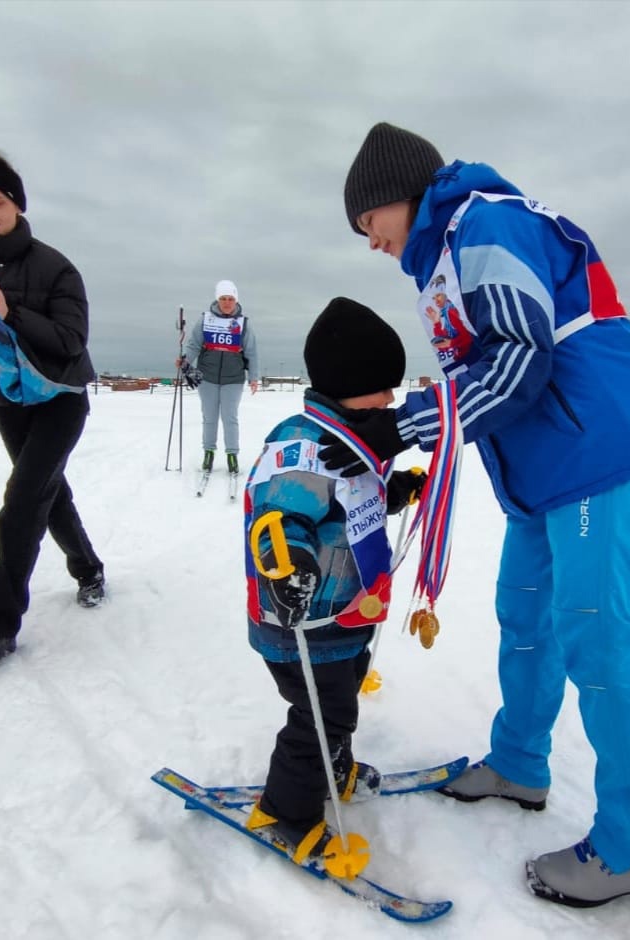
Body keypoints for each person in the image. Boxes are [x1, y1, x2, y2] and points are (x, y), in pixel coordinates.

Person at [328, 122, 630, 906]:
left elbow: (521, 361)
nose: (370, 241)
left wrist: (409, 423)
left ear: (398, 193)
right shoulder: (445, 255)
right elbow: (485, 366)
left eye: (368, 221)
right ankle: (519, 761)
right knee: (523, 613)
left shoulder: (485, 225)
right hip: (545, 469)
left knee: (598, 640)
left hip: (597, 453)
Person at [243, 297, 426, 862]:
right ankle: (286, 811)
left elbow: (347, 501)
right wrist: (290, 568)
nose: (391, 400)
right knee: (321, 717)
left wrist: (394, 492)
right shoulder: (303, 446)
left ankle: (331, 766)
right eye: (382, 388)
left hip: (344, 615)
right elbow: (280, 517)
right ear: (350, 383)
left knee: (342, 696)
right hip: (301, 617)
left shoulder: (350, 439)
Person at [0, 151, 105, 660]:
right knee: (47, 493)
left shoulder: (56, 266)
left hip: (60, 398)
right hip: (7, 400)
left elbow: (71, 340)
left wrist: (12, 313)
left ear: (17, 204)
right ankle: (89, 569)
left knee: (23, 498)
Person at [180, 279, 259, 475]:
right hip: (207, 377)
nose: (227, 302)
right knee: (209, 417)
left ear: (236, 300)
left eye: (230, 299)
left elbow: (251, 352)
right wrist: (185, 361)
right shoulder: (205, 319)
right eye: (223, 298)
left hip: (233, 378)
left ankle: (232, 455)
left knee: (230, 417)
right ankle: (209, 452)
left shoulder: (243, 323)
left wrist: (253, 377)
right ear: (217, 299)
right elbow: (194, 344)